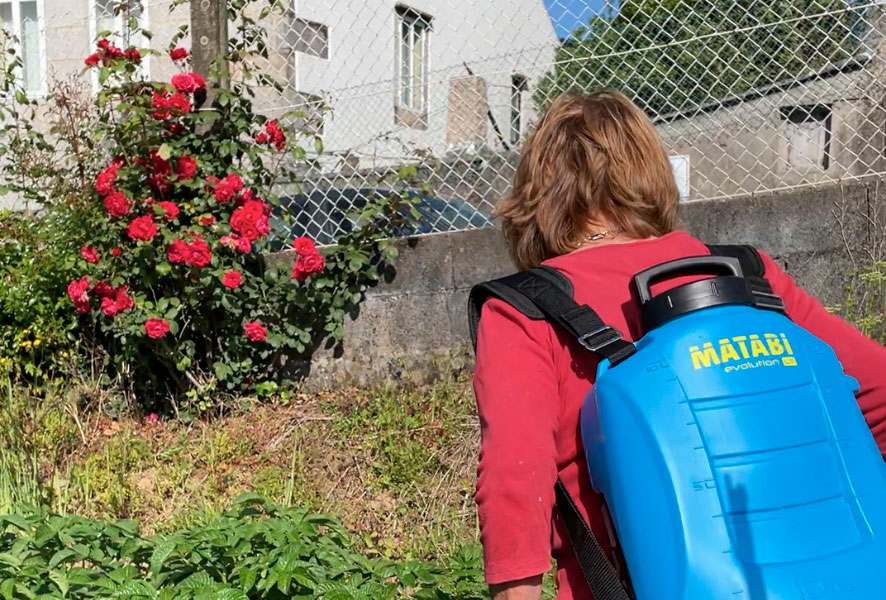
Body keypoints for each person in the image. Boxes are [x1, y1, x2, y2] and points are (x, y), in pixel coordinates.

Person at [471, 89, 886, 600]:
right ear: (650, 174)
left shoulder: (524, 310)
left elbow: (516, 481)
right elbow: (878, 392)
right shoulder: (748, 279)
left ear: (538, 195)